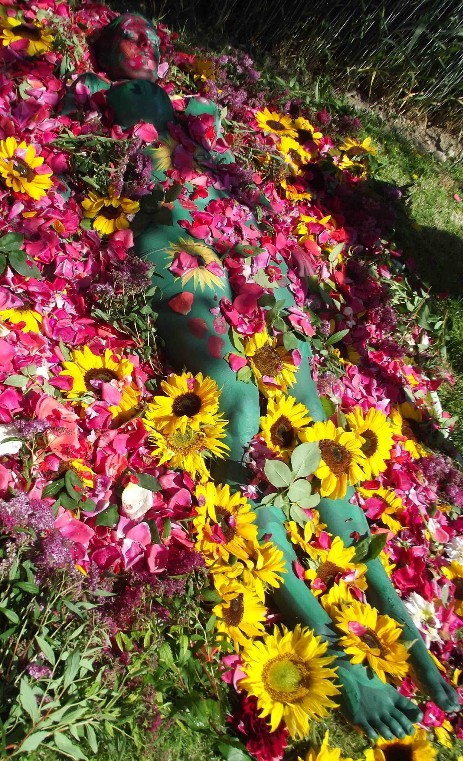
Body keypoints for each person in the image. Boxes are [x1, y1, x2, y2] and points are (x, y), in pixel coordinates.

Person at [68, 13, 460, 740]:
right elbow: (79, 119)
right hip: (169, 233)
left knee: (311, 419)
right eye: (125, 35)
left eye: (147, 35)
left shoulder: (185, 106)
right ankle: (335, 655)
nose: (140, 40)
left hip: (232, 245)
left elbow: (214, 134)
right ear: (105, 54)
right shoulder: (101, 87)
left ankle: (402, 628)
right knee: (235, 397)